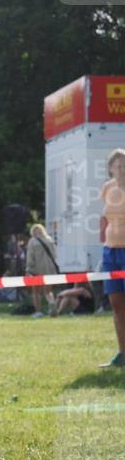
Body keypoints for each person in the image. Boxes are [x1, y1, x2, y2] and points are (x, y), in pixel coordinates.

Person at [101, 148, 125, 367]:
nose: (121, 169)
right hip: (110, 251)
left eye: (124, 165)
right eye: (117, 165)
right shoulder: (107, 188)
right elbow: (105, 217)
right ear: (110, 169)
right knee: (116, 304)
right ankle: (122, 354)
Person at [25, 224, 58, 317]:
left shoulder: (32, 241)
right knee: (48, 291)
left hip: (37, 269)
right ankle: (52, 302)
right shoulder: (49, 240)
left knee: (36, 291)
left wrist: (28, 269)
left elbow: (30, 257)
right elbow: (54, 255)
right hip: (50, 269)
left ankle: (38, 311)